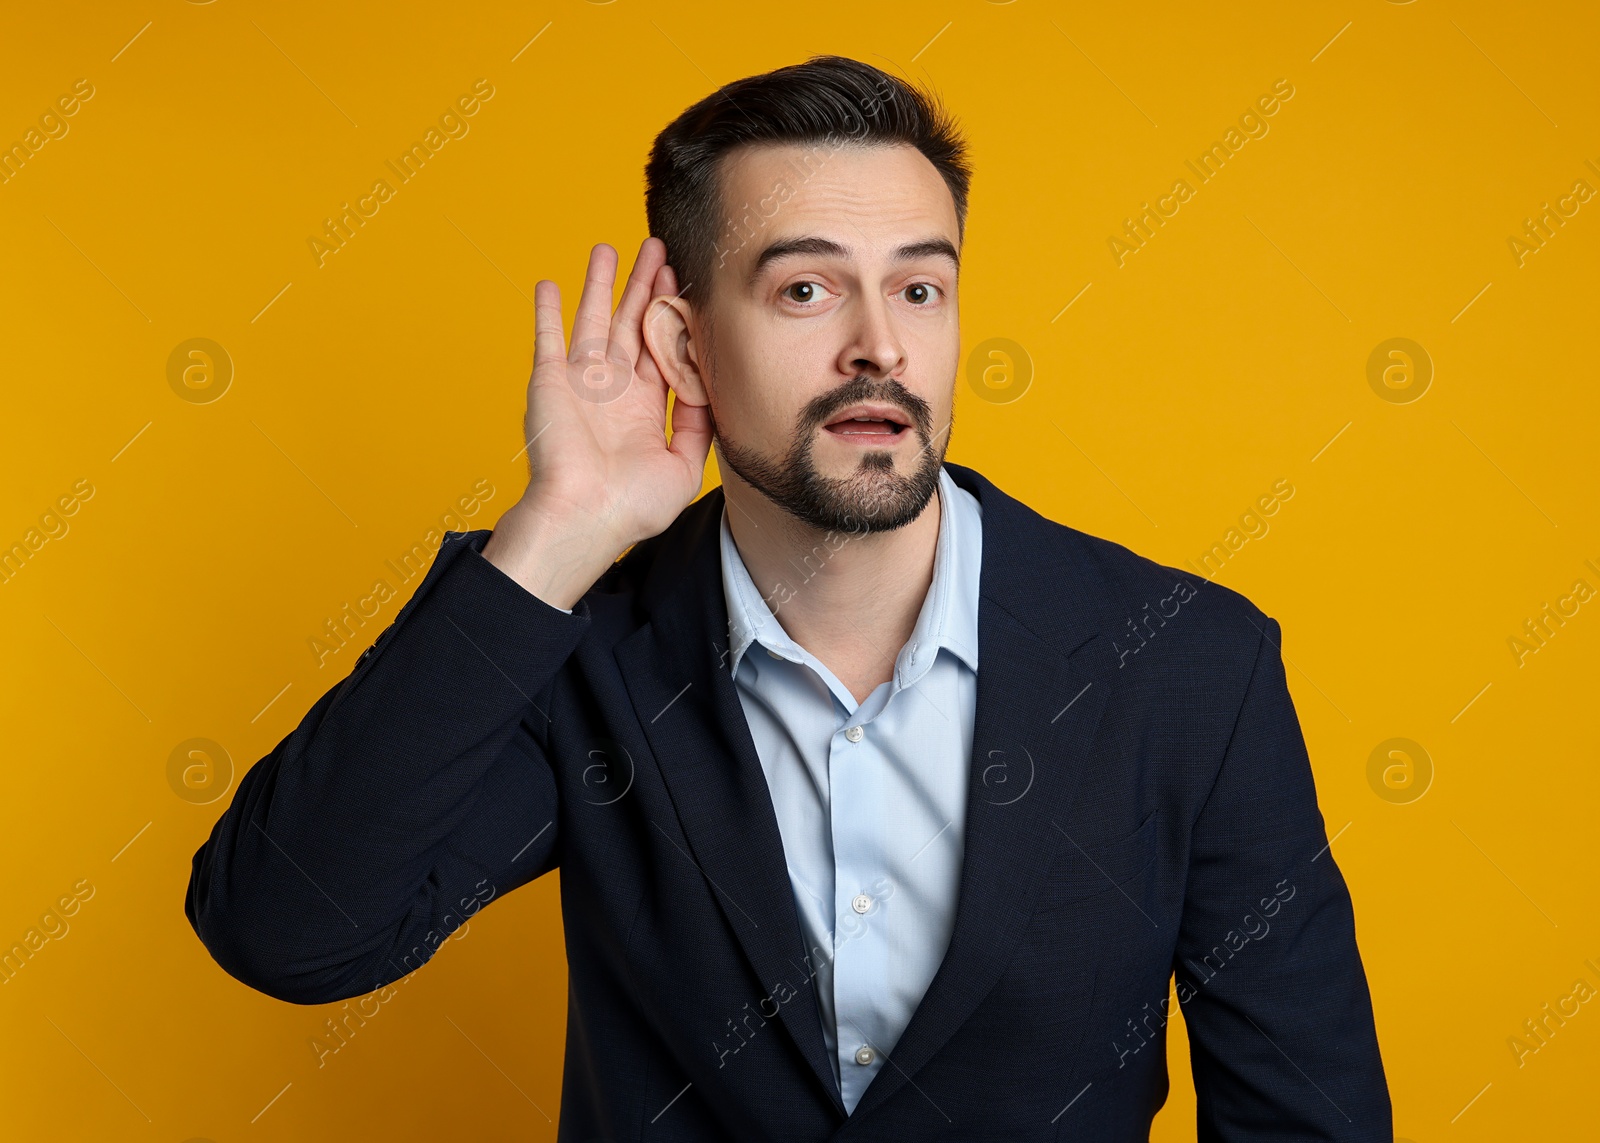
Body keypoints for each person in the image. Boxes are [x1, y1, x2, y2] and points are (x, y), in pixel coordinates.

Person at [186, 55, 1391, 1140]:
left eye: (919, 290)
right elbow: (291, 931)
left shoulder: (1186, 665)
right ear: (685, 343)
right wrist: (555, 535)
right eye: (806, 292)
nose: (879, 346)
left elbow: (1305, 1115)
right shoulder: (587, 645)